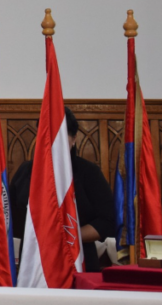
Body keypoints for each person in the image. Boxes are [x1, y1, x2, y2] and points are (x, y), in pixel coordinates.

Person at [9, 107, 116, 272]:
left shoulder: (89, 172)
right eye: (46, 135)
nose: (53, 142)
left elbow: (107, 221)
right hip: (34, 261)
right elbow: (10, 215)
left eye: (60, 136)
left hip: (78, 259)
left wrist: (65, 236)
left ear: (74, 139)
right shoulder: (26, 170)